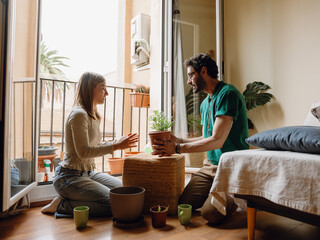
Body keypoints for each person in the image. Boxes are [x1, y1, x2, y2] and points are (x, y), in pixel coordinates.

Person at [152, 53, 249, 224]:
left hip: (229, 167)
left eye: (190, 75)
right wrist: (179, 140)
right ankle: (216, 192)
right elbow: (207, 137)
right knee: (183, 205)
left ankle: (237, 201)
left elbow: (217, 141)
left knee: (209, 214)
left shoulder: (228, 94)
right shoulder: (206, 103)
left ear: (203, 71)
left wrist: (176, 149)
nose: (188, 81)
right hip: (209, 167)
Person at [41, 72, 139, 217]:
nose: (107, 93)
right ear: (90, 89)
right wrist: (116, 147)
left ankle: (74, 199)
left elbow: (95, 144)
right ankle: (62, 205)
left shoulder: (92, 114)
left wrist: (115, 142)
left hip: (89, 173)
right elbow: (84, 152)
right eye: (103, 88)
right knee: (114, 204)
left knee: (124, 192)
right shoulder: (79, 115)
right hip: (69, 178)